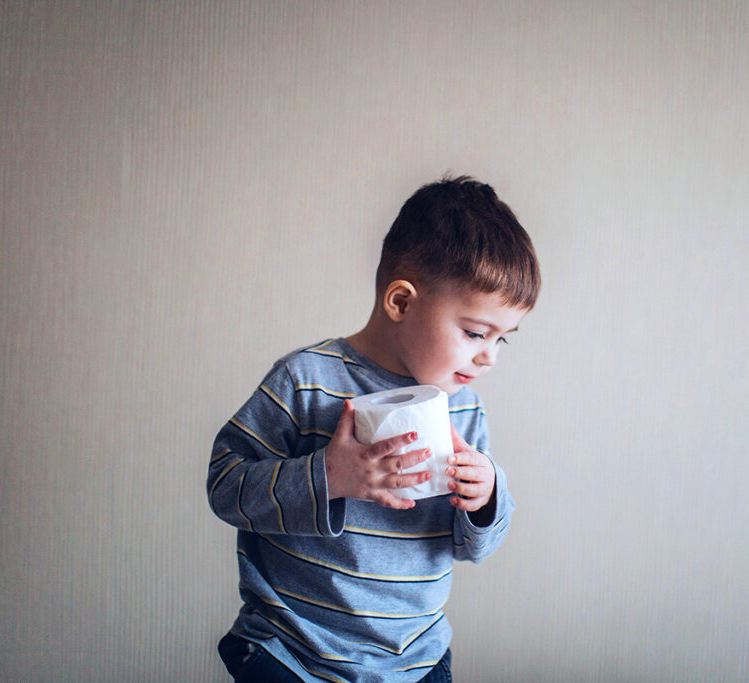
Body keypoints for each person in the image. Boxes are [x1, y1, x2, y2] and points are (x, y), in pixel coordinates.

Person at [207, 176, 541, 682]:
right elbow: (225, 486)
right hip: (291, 652)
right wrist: (328, 477)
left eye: (502, 340)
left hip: (415, 660)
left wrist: (487, 496)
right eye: (475, 332)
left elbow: (472, 547)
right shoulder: (306, 381)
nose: (488, 357)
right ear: (402, 303)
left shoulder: (464, 410)